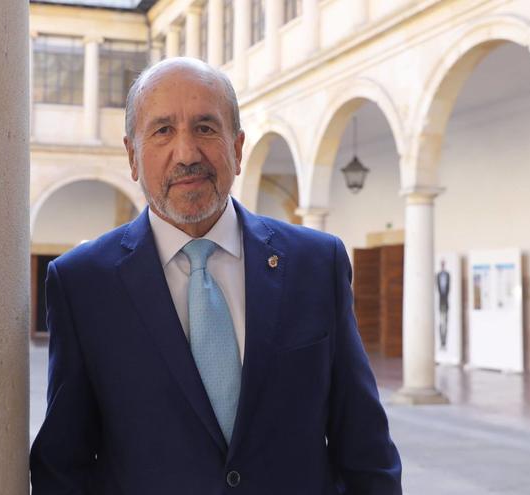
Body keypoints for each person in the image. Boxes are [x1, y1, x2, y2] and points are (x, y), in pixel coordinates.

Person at [29, 57, 402, 494]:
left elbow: (366, 449)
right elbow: (63, 464)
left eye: (206, 128)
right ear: (132, 155)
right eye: (163, 130)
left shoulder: (316, 264)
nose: (187, 154)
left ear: (238, 149)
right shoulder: (83, 284)